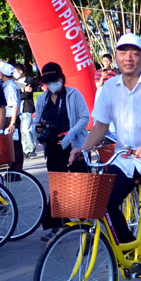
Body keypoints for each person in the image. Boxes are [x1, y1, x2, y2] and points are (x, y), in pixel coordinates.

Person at [70, 33, 141, 279]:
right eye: (122, 53)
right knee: (102, 201)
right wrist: (84, 149)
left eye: (134, 53)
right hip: (125, 158)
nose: (128, 58)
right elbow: (100, 126)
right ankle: (128, 243)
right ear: (116, 58)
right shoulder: (109, 87)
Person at [35, 62, 91, 241]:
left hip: (74, 145)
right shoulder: (42, 99)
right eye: (48, 81)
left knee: (80, 182)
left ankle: (85, 223)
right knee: (58, 187)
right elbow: (38, 121)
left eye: (55, 80)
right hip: (52, 147)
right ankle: (57, 226)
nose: (52, 84)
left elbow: (85, 118)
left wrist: (70, 134)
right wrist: (38, 129)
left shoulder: (74, 94)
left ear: (62, 78)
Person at [0, 63, 25, 170]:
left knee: (14, 144)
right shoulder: (8, 85)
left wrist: (12, 122)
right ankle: (12, 168)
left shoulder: (11, 86)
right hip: (8, 117)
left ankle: (16, 169)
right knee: (10, 144)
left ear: (2, 73)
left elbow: (15, 105)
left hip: (10, 117)